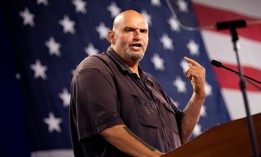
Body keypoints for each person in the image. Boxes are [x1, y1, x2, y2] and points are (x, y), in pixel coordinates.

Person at [69, 10, 205, 157]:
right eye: (129, 30)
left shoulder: (151, 82)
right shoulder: (95, 68)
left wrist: (199, 94)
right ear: (111, 36)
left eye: (143, 31)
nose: (137, 36)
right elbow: (109, 128)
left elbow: (180, 135)